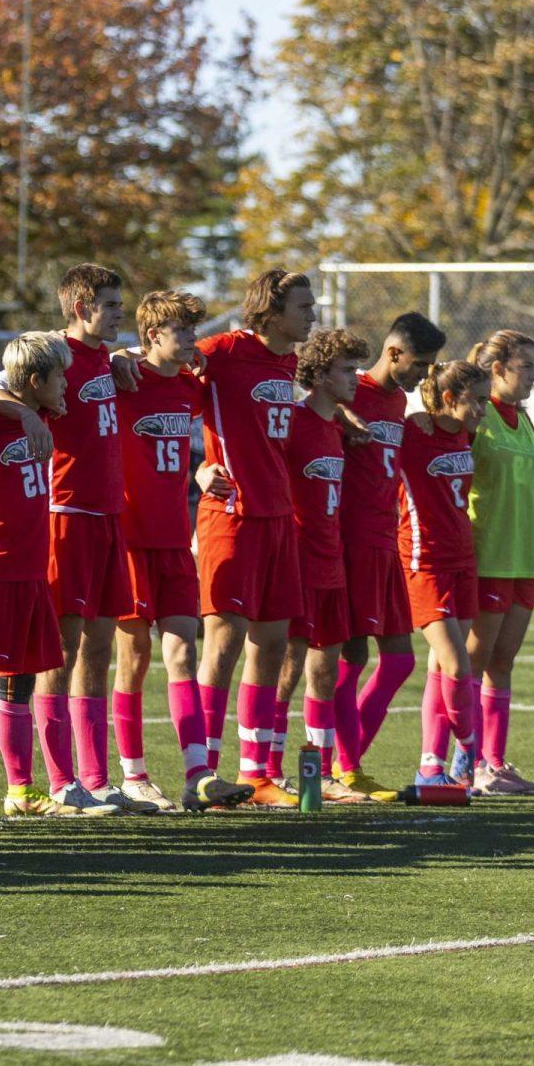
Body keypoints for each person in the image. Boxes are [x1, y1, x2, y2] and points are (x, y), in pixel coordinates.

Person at [0, 264, 139, 815]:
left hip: (109, 517)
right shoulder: (49, 352)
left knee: (98, 652)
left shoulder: (107, 359)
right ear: (81, 307)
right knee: (59, 653)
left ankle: (95, 778)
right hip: (64, 514)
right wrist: (26, 413)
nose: (121, 314)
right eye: (112, 305)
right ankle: (62, 779)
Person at [193, 270, 313, 806]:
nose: (312, 314)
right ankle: (204, 772)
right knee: (223, 644)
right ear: (271, 309)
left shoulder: (288, 362)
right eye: (303, 306)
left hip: (279, 517)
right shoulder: (221, 351)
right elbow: (159, 377)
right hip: (232, 516)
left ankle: (256, 773)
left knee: (270, 644)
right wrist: (197, 469)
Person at [113, 290, 235, 811]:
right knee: (133, 660)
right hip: (127, 539)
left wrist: (204, 470)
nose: (192, 339)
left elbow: (209, 438)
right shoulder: (122, 379)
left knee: (183, 650)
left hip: (173, 539)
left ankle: (197, 774)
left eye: (193, 329)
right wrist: (115, 358)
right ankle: (133, 774)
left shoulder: (190, 386)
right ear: (152, 336)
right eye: (182, 330)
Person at [0, 332, 81, 816]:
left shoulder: (49, 412)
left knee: (22, 677)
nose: (67, 388)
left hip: (34, 565)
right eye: (59, 380)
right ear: (33, 383)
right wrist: (25, 411)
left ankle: (19, 789)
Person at [332, 313, 443, 799]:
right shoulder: (348, 389)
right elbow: (302, 410)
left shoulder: (399, 401)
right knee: (352, 654)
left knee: (399, 660)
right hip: (350, 540)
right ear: (393, 353)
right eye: (419, 365)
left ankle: (346, 762)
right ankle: (345, 769)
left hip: (387, 539)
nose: (423, 376)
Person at [275, 329, 373, 803]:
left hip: (331, 558)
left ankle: (324, 770)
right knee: (287, 664)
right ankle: (267, 769)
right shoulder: (291, 421)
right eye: (347, 370)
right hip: (295, 558)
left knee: (325, 668)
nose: (355, 378)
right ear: (318, 374)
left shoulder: (339, 424)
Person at [460, 331, 534, 795]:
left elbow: (530, 488)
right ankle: (469, 762)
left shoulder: (525, 420)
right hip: (488, 555)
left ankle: (494, 761)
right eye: (527, 367)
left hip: (524, 559)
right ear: (498, 369)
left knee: (503, 661)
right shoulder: (478, 418)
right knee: (472, 662)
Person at [399, 361, 491, 789]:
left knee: (444, 665)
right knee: (456, 666)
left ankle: (431, 766)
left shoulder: (465, 432)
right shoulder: (413, 432)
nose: (483, 411)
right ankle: (470, 747)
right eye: (477, 402)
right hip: (424, 561)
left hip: (463, 558)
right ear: (450, 398)